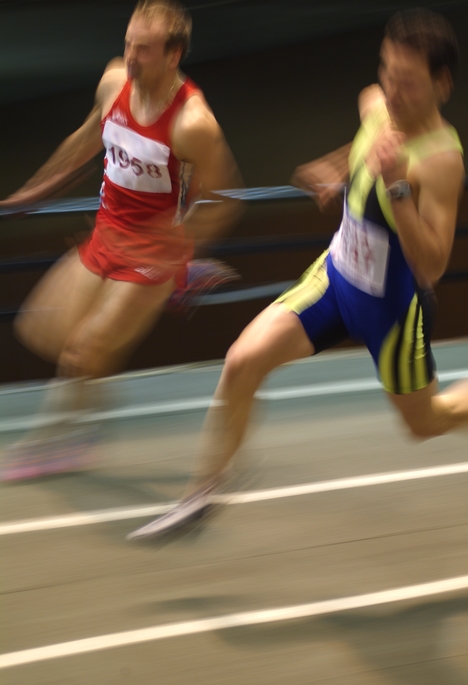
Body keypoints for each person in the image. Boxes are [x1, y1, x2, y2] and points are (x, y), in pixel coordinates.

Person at [127, 7, 468, 540]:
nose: (392, 92)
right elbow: (367, 141)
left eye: (409, 84)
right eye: (387, 73)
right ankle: (203, 493)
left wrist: (398, 186)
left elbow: (432, 266)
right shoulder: (375, 103)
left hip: (391, 309)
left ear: (442, 85)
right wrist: (337, 168)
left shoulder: (442, 162)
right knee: (241, 361)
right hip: (335, 279)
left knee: (424, 423)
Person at [0, 0, 243, 480]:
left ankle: (64, 440)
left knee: (83, 351)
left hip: (153, 252)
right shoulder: (115, 82)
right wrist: (35, 189)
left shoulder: (192, 123)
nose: (131, 57)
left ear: (173, 56)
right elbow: (88, 136)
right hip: (108, 231)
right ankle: (77, 425)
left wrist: (177, 242)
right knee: (41, 329)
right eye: (128, 44)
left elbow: (224, 200)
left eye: (144, 50)